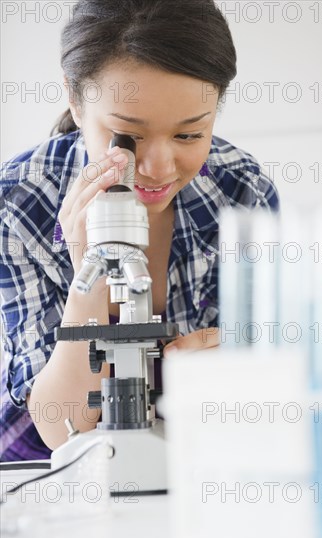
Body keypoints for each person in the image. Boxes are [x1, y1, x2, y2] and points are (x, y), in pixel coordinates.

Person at [0, 0, 279, 461]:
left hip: (194, 454)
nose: (158, 168)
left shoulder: (242, 191)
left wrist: (246, 359)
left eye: (189, 135)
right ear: (74, 97)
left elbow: (269, 376)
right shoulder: (18, 201)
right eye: (128, 138)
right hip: (46, 464)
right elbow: (60, 427)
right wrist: (85, 273)